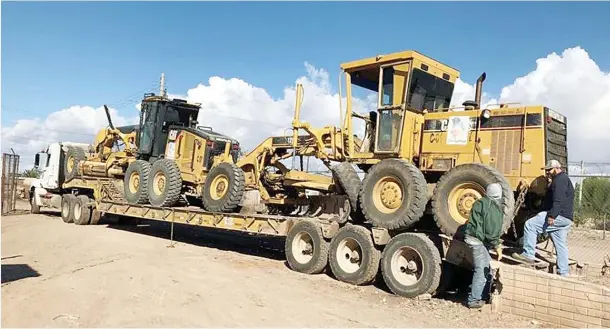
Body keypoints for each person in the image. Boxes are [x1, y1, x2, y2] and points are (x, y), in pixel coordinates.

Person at [512, 159, 574, 276]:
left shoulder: (560, 180)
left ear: (556, 168)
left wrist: (552, 215)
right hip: (566, 218)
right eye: (546, 170)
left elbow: (558, 200)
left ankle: (528, 254)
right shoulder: (564, 180)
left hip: (557, 215)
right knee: (560, 245)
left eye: (549, 170)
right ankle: (564, 272)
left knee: (530, 225)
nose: (547, 173)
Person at [463, 182, 504, 309]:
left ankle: (484, 296)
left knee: (487, 268)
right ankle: (474, 300)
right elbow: (491, 230)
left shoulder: (480, 202)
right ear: (499, 195)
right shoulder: (493, 207)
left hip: (473, 238)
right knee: (482, 269)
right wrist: (497, 245)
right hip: (477, 241)